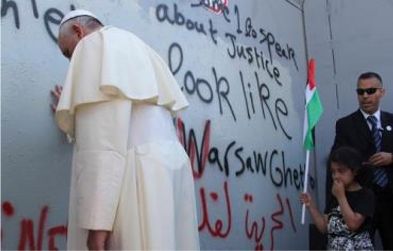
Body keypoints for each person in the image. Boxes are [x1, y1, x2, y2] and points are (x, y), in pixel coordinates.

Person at [51, 9, 200, 250]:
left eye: (68, 52)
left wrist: (97, 226)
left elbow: (102, 144)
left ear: (79, 32)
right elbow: (126, 117)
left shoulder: (91, 47)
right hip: (171, 170)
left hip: (135, 175)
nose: (71, 60)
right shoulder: (136, 44)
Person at [327, 72, 393, 249]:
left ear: (382, 92)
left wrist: (391, 158)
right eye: (360, 92)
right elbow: (335, 163)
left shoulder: (392, 121)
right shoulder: (345, 125)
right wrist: (332, 202)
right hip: (359, 201)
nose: (365, 96)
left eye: (370, 91)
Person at [301, 146, 375, 250]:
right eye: (333, 172)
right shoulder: (334, 195)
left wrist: (341, 196)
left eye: (341, 171)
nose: (336, 176)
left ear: (355, 171)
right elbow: (324, 228)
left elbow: (353, 224)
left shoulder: (365, 195)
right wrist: (311, 206)